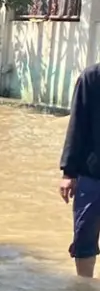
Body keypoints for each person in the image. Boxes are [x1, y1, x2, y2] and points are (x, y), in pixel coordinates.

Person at [60, 60, 100, 277]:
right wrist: (68, 172)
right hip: (92, 174)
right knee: (84, 238)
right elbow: (76, 125)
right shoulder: (92, 77)